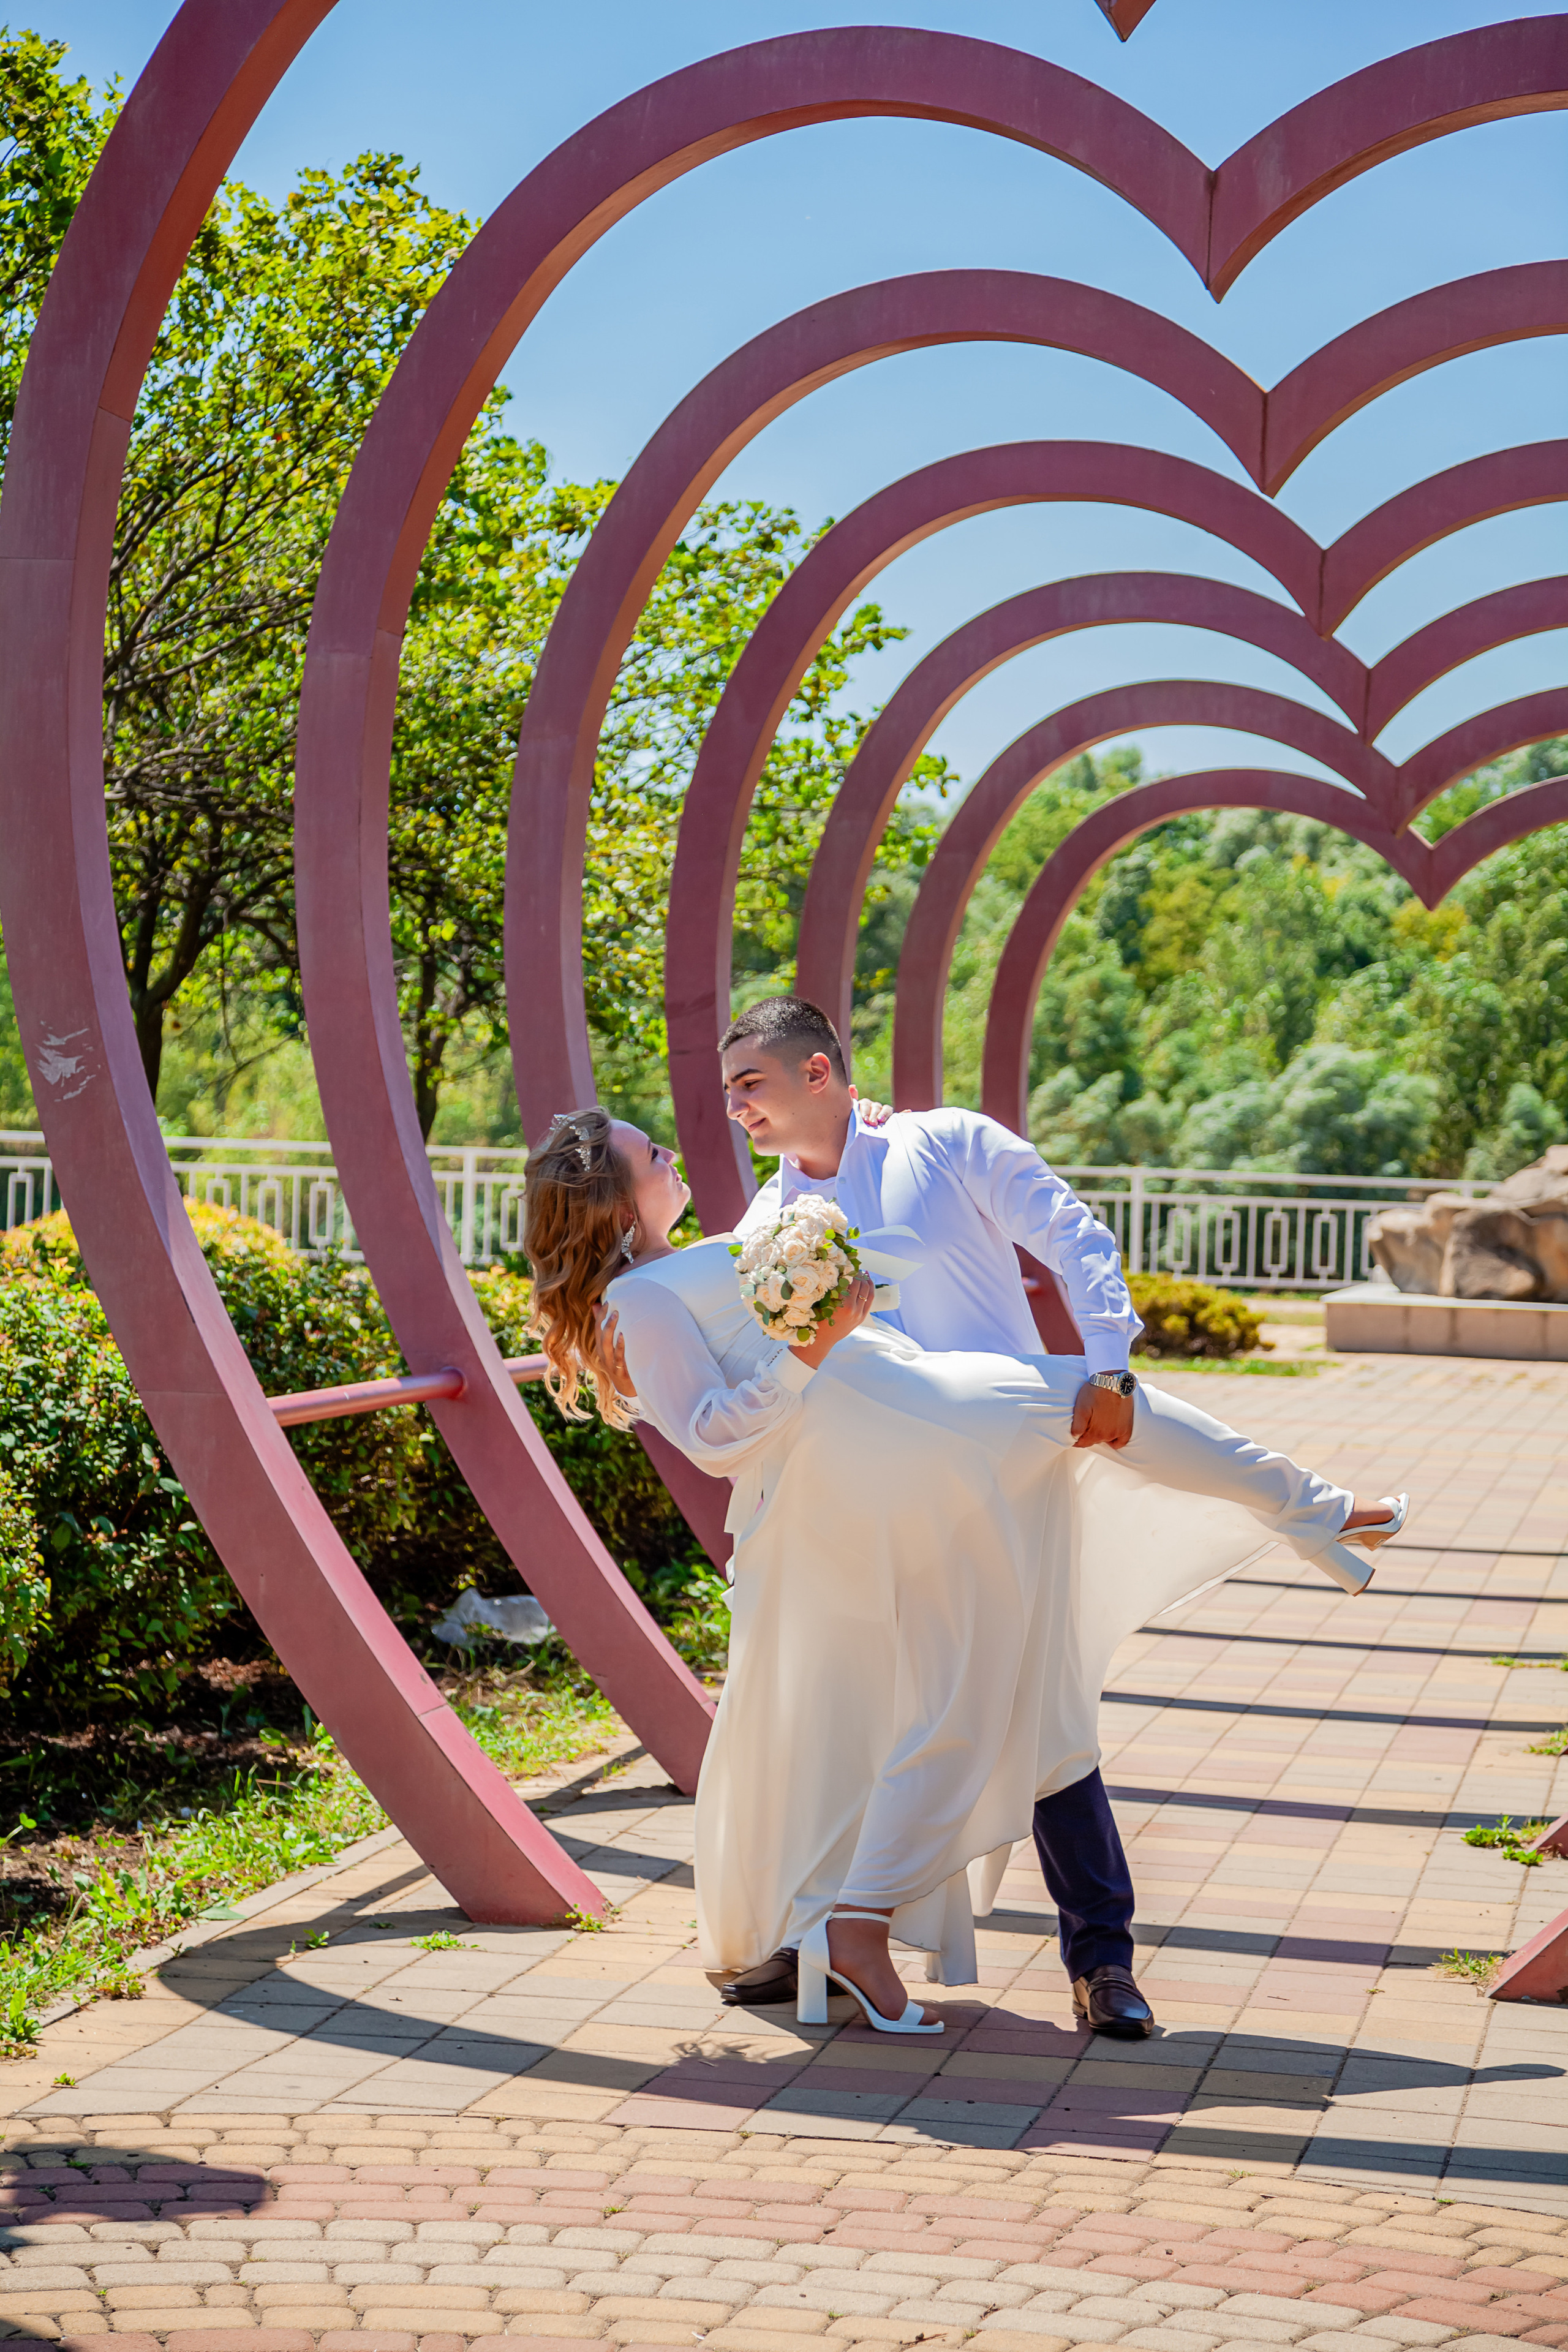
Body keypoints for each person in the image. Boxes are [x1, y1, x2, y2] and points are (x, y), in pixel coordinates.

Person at [522, 1098, 1404, 2041]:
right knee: (1090, 1398)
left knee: (973, 1687)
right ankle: (1318, 1512)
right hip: (901, 1415)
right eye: (647, 1152)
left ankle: (858, 1925)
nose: (669, 1150)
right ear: (619, 1207)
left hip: (899, 1398)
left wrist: (833, 1274)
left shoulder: (704, 1253)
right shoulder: (640, 1302)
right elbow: (708, 1438)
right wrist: (809, 1354)